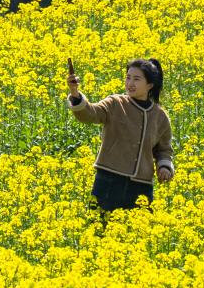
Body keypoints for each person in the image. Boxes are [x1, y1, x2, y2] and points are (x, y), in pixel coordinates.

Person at [67, 59, 174, 211]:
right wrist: (74, 93)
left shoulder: (160, 116)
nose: (130, 83)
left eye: (136, 79)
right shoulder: (115, 103)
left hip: (141, 187)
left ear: (150, 85)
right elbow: (90, 114)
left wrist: (164, 167)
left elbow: (164, 149)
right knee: (99, 224)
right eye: (128, 77)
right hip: (109, 181)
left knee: (140, 226)